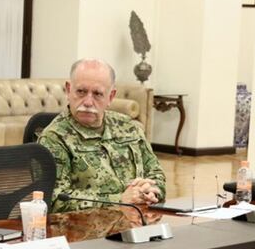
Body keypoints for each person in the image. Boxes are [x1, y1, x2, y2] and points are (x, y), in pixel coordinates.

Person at [38, 58, 166, 213]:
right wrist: (119, 200)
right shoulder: (54, 138)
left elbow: (156, 173)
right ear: (68, 90)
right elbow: (55, 200)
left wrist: (151, 191)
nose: (88, 102)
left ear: (111, 97)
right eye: (81, 91)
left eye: (97, 94)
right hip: (86, 225)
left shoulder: (128, 127)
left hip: (138, 220)